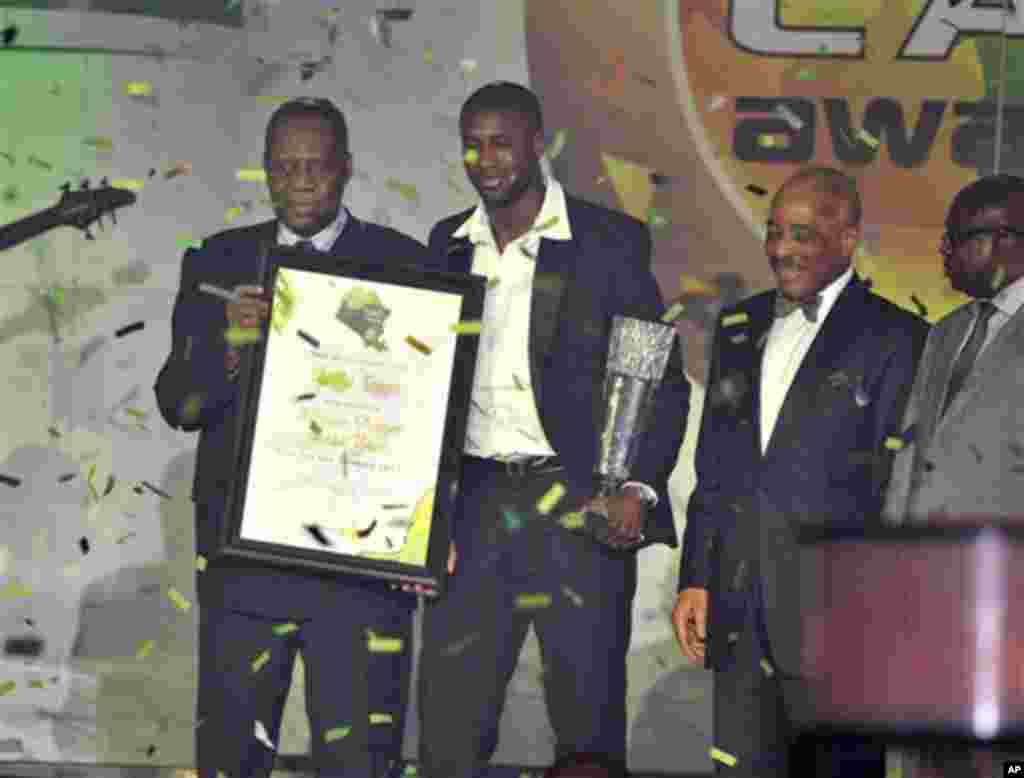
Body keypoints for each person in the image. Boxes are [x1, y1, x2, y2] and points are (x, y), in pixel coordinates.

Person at [406, 81, 690, 778]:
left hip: (575, 503)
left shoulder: (607, 241)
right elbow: (420, 393)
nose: (485, 159)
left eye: (501, 142)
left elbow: (655, 376)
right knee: (449, 722)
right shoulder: (446, 244)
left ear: (538, 144)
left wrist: (637, 486)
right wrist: (420, 517)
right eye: (472, 144)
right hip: (473, 509)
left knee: (587, 722)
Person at [154, 97, 430, 778]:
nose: (299, 181)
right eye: (283, 168)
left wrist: (422, 531)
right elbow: (178, 403)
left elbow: (427, 411)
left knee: (361, 758)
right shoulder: (218, 262)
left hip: (359, 565)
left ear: (345, 171)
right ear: (265, 172)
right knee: (231, 754)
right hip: (245, 565)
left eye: (314, 166)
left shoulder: (406, 263)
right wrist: (228, 346)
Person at [672, 166, 929, 777]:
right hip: (738, 607)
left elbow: (899, 483)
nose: (782, 248)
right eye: (775, 231)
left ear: (848, 239)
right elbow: (717, 467)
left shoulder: (899, 336)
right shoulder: (738, 326)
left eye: (804, 234)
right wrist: (697, 577)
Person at [883, 174, 1024, 778]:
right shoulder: (944, 333)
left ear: (1006, 239)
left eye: (956, 239)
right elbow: (912, 458)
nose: (942, 253)